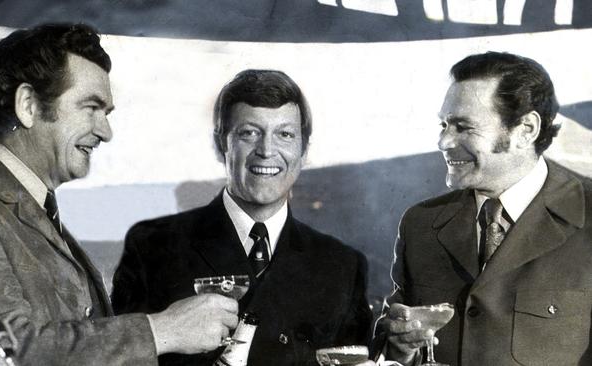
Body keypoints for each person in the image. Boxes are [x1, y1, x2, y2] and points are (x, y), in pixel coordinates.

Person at [0, 23, 239, 366]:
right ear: (28, 105)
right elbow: (7, 355)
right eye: (91, 108)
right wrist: (162, 331)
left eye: (106, 113)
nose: (105, 131)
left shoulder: (28, 206)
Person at [111, 69, 374, 366]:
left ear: (304, 151)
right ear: (220, 144)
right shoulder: (152, 247)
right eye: (249, 133)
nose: (266, 150)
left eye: (284, 135)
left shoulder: (342, 265)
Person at [377, 51, 592, 365]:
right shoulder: (421, 224)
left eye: (463, 127)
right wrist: (399, 348)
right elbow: (387, 347)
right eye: (445, 125)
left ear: (526, 130)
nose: (444, 142)